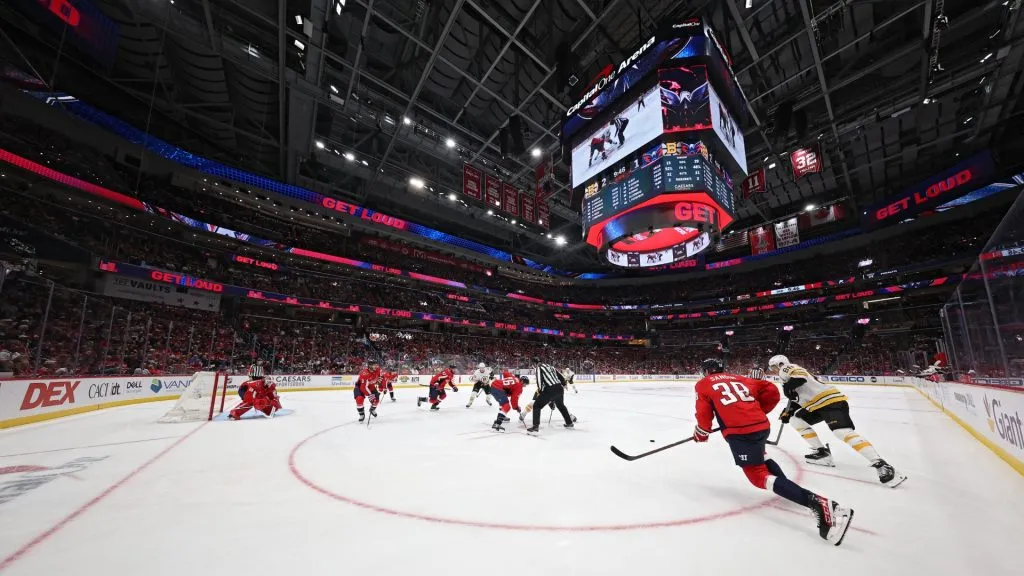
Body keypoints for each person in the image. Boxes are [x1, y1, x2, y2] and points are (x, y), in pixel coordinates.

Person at [693, 358, 854, 545]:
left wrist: (702, 433)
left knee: (756, 476)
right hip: (761, 426)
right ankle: (786, 488)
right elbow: (770, 390)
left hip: (741, 432)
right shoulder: (740, 378)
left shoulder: (703, 384)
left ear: (706, 371)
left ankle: (819, 504)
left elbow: (704, 415)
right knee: (761, 455)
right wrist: (755, 410)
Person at [768, 355, 906, 487]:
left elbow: (800, 377)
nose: (773, 370)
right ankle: (822, 453)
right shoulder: (785, 379)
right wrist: (788, 412)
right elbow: (797, 398)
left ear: (779, 364)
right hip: (817, 405)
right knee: (794, 418)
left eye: (773, 367)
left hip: (830, 402)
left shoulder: (786, 368)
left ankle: (882, 464)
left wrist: (788, 387)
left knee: (842, 432)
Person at [526, 358, 574, 434]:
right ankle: (569, 423)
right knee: (561, 406)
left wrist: (540, 391)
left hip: (550, 389)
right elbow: (560, 376)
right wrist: (564, 384)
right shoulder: (550, 366)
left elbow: (539, 381)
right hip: (559, 388)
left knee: (537, 406)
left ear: (534, 364)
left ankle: (535, 426)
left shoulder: (538, 368)